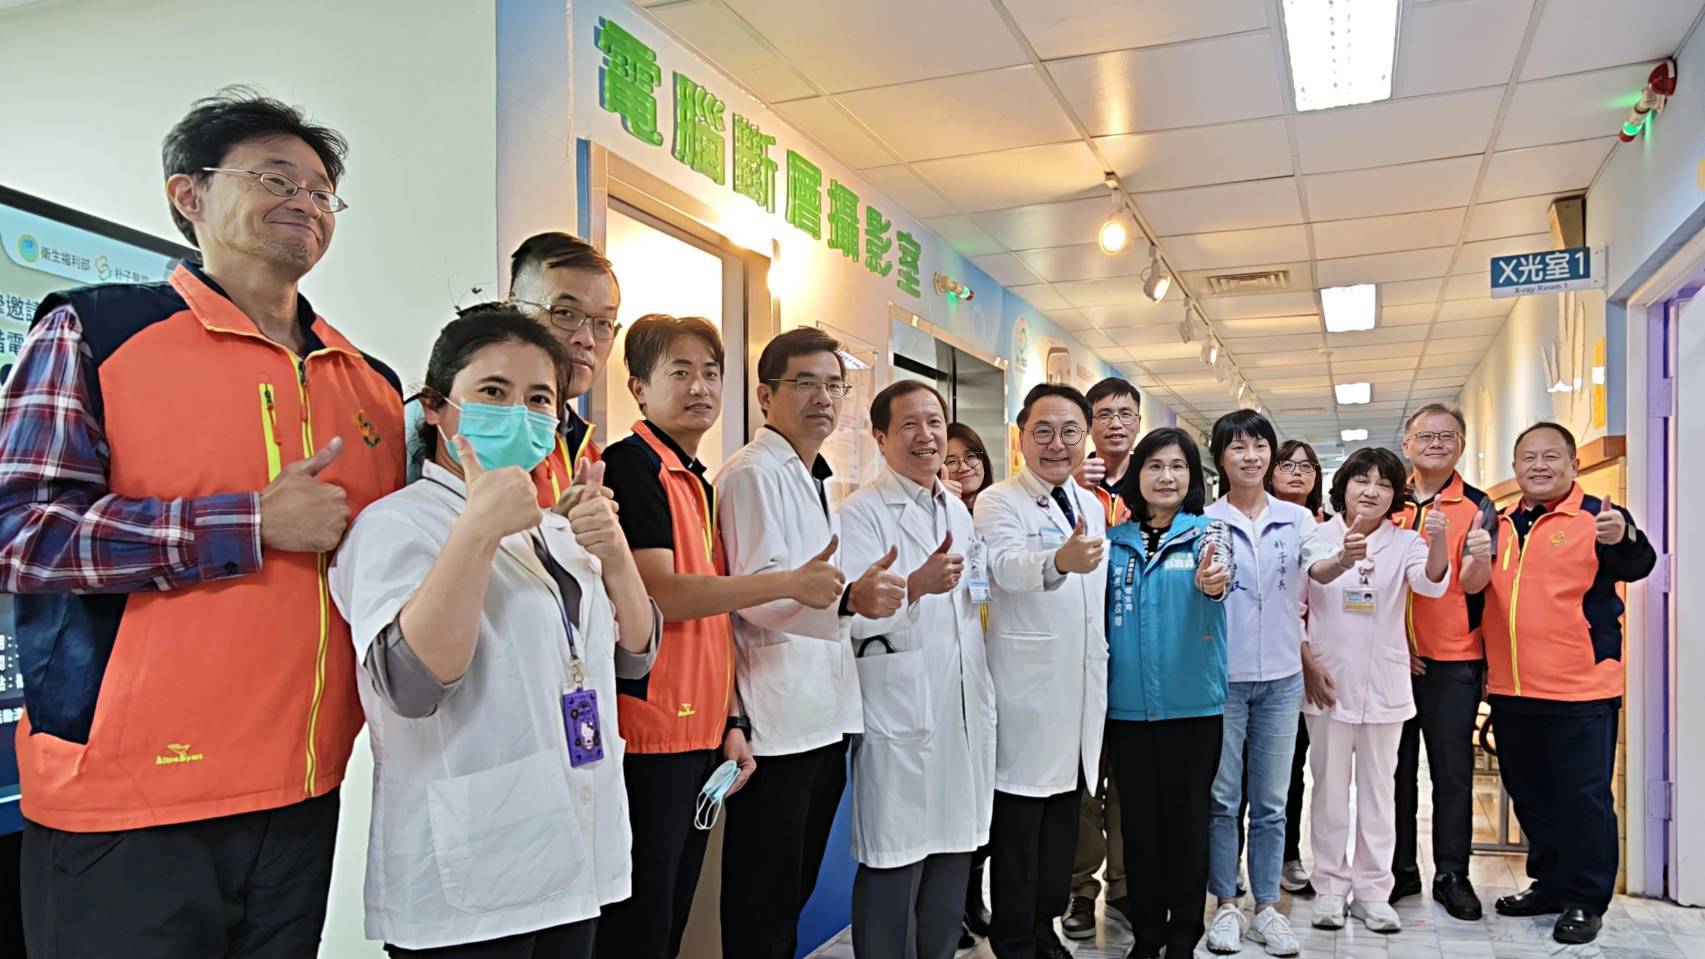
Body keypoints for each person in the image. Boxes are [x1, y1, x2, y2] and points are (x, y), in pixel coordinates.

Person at [0, 89, 405, 956]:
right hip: (129, 801)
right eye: (275, 177)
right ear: (188, 195)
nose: (305, 200)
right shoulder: (96, 330)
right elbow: (20, 532)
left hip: (302, 789)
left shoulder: (370, 383)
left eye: (322, 190)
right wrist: (247, 521)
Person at [328, 305, 657, 956]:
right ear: (435, 407)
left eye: (539, 399)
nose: (518, 414)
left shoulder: (555, 530)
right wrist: (476, 530)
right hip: (470, 868)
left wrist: (617, 557)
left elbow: (634, 657)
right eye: (493, 392)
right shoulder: (397, 525)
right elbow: (412, 685)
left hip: (573, 849)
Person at [595, 315, 845, 957]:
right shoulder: (632, 466)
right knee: (641, 922)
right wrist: (786, 583)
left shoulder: (695, 480)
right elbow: (663, 594)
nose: (700, 387)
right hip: (650, 731)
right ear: (638, 387)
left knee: (672, 916)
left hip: (702, 726)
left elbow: (715, 622)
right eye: (680, 372)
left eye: (711, 373)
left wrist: (730, 718)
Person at [715, 327, 906, 959]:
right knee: (763, 899)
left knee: (789, 891)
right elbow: (756, 592)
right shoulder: (752, 474)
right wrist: (848, 599)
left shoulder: (810, 476)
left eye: (834, 385)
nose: (823, 397)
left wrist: (849, 597)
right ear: (765, 396)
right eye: (804, 383)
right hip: (776, 721)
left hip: (820, 714)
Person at [839, 380, 997, 959]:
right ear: (880, 437)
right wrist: (914, 587)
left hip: (959, 707)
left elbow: (973, 600)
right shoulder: (860, 514)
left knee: (951, 858)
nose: (926, 436)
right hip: (900, 712)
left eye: (934, 422)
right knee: (894, 864)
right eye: (908, 424)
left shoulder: (957, 509)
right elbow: (847, 619)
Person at [1480, 422, 1654, 945]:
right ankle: (1551, 883)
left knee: (1583, 798)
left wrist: (1624, 537)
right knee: (1530, 793)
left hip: (1581, 688)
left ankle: (1584, 898)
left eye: (1551, 456)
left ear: (1574, 465)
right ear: (1515, 468)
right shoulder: (1501, 523)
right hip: (1512, 688)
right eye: (1528, 457)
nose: (1539, 466)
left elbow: (1638, 563)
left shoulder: (1598, 517)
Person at [1298, 446, 1457, 934]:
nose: (1371, 491)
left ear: (1395, 496)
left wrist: (1438, 540)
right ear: (1343, 486)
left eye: (1384, 484)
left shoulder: (1405, 541)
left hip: (1384, 684)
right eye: (1361, 480)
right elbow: (1302, 596)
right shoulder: (1316, 535)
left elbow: (1430, 585)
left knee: (1380, 792)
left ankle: (1373, 891)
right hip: (1327, 681)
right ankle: (1330, 886)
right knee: (1327, 790)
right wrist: (1308, 664)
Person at [975, 383, 1108, 959]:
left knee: (1060, 827)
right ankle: (1013, 937)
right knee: (1019, 829)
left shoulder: (1090, 505)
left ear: (1085, 438)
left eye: (1070, 432)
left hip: (1077, 692)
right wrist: (1057, 560)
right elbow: (1004, 566)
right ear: (1021, 437)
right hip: (1025, 693)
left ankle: (1043, 928)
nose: (1057, 444)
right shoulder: (998, 501)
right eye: (1043, 431)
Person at [1202, 410, 1336, 957]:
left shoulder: (1296, 518)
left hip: (1281, 677)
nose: (1251, 456)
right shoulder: (1205, 519)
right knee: (1222, 799)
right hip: (1223, 679)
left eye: (1260, 447)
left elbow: (1319, 567)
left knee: (1272, 802)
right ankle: (1225, 904)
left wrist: (1343, 559)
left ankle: (1266, 907)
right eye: (1238, 448)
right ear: (1220, 459)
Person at [1103, 427, 1230, 959]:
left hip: (1192, 708)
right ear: (1138, 475)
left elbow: (1221, 575)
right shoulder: (1113, 543)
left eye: (1178, 466)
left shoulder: (1208, 535)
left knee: (1187, 826)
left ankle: (1183, 936)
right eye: (1154, 465)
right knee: (1139, 828)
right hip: (1128, 711)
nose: (1166, 476)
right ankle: (1148, 933)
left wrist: (1214, 580)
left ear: (1192, 476)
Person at [1389, 405, 1498, 920]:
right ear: (1407, 444)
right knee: (1394, 773)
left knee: (1452, 775)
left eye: (1447, 435)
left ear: (1461, 445)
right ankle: (1399, 869)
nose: (1436, 443)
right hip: (1391, 661)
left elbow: (1475, 583)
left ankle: (1451, 874)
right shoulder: (1388, 499)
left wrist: (1479, 556)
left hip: (1454, 660)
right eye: (1426, 435)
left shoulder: (1478, 506)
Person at [405, 232, 618, 496]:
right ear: (515, 309)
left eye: (604, 323)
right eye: (564, 313)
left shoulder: (584, 447)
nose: (587, 340)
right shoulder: (432, 420)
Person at [1062, 377, 1139, 938]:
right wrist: (1072, 482)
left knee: (1130, 778)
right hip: (1078, 652)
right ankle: (1080, 890)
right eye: (1104, 414)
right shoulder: (1066, 482)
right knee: (1084, 778)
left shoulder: (1155, 478)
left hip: (1135, 652)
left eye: (1125, 413)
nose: (1115, 423)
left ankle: (1126, 886)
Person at [945, 419, 998, 948]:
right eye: (951, 459)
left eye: (972, 456)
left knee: (987, 793)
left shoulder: (995, 513)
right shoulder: (938, 516)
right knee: (959, 792)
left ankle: (973, 895)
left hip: (993, 661)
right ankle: (952, 905)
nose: (963, 468)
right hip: (950, 670)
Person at [1265, 440, 1323, 897]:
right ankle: (1235, 862)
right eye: (1287, 464)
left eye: (1307, 466)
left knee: (1291, 769)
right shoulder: (1255, 522)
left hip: (1319, 671)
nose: (1297, 472)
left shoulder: (1325, 529)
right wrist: (1306, 660)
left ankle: (1287, 856)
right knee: (1243, 772)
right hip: (1274, 665)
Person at [945, 422, 994, 512]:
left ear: (983, 462)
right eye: (951, 461)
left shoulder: (1001, 505)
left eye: (970, 456)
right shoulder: (934, 512)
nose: (964, 468)